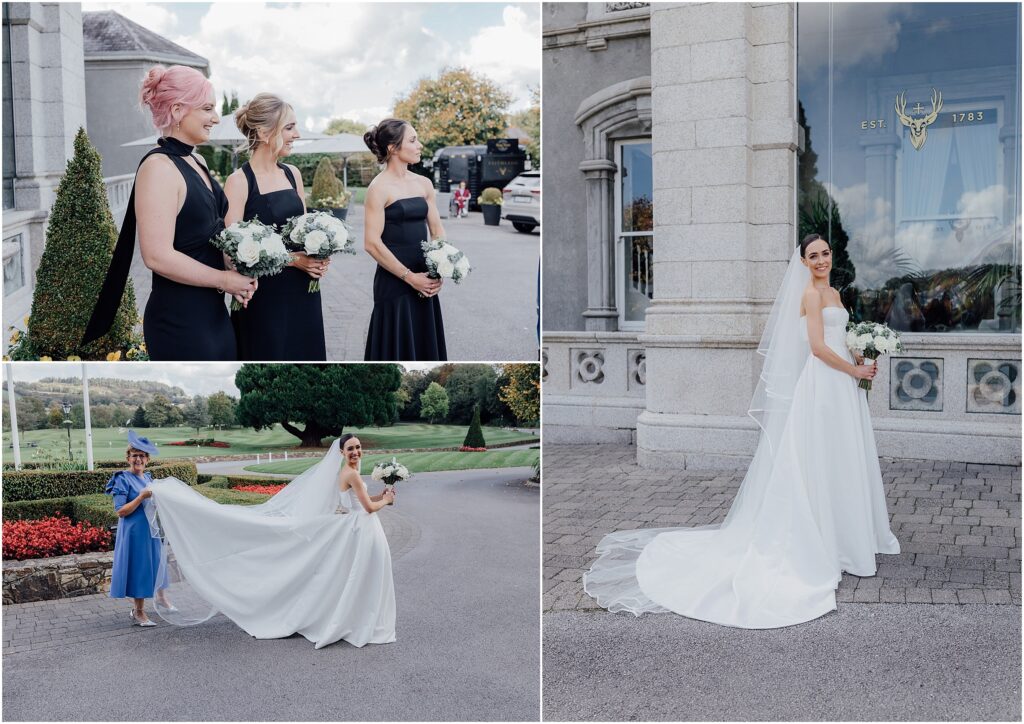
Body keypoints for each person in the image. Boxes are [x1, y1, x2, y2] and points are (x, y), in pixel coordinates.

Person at [584, 234, 900, 628]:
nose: (820, 260)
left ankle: (846, 538)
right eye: (812, 256)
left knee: (840, 460)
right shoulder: (811, 297)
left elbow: (836, 339)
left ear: (831, 256)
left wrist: (861, 355)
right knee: (818, 460)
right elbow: (817, 348)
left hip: (842, 389)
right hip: (821, 387)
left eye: (824, 254)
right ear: (803, 262)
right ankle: (820, 543)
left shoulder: (834, 293)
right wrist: (853, 369)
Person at [145, 435, 396, 648]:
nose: (355, 451)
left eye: (358, 447)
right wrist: (386, 501)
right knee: (357, 575)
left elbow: (360, 500)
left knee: (353, 576)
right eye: (350, 448)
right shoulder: (350, 473)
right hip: (359, 527)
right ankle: (358, 620)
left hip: (354, 526)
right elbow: (369, 508)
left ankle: (354, 618)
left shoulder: (350, 472)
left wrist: (381, 495)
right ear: (341, 451)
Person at [83, 65, 255, 359]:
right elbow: (156, 256)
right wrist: (224, 280)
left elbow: (211, 233)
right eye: (207, 108)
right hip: (180, 319)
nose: (215, 117)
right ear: (177, 110)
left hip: (213, 313)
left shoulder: (196, 161)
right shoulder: (158, 168)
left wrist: (236, 266)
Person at [225, 93, 327, 360]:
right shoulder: (239, 182)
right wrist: (295, 260)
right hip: (265, 297)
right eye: (290, 127)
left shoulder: (292, 174)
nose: (297, 134)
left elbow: (304, 230)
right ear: (263, 131)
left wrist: (320, 251)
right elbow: (230, 255)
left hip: (303, 291)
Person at [362, 118, 447, 361]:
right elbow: (371, 243)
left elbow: (437, 230)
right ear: (392, 148)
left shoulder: (424, 183)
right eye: (412, 140)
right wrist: (409, 277)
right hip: (395, 282)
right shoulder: (378, 188)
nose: (419, 145)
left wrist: (439, 267)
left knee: (424, 341)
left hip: (425, 278)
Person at [105, 431, 171, 626]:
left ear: (147, 460)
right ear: (128, 458)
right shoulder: (121, 479)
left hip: (150, 530)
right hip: (134, 533)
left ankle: (161, 598)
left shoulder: (148, 477)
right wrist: (141, 497)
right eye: (134, 455)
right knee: (140, 569)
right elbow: (121, 511)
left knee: (157, 563)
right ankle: (139, 611)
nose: (138, 459)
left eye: (142, 455)